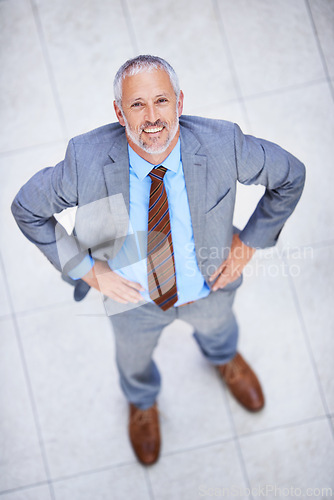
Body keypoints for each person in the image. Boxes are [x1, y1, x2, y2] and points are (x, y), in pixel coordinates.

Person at [11, 55, 305, 466]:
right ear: (119, 112)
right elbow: (27, 208)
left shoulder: (223, 143)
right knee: (132, 361)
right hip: (132, 298)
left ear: (179, 103)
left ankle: (224, 360)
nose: (152, 117)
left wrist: (250, 242)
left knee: (221, 330)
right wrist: (89, 271)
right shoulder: (86, 159)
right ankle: (142, 401)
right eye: (136, 105)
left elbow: (290, 175)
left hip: (210, 283)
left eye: (162, 101)